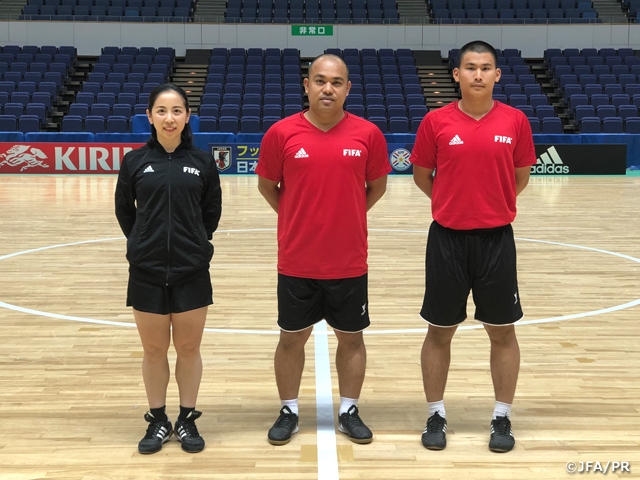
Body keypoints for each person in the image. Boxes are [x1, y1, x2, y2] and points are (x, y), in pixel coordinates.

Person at [256, 53, 390, 446]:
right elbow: (268, 186)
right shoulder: (281, 133)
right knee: (290, 339)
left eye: (336, 82)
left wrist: (345, 215)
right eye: (319, 80)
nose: (327, 88)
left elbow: (376, 186)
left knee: (351, 339)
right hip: (297, 259)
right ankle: (289, 410)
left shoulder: (367, 134)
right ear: (307, 85)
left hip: (348, 260)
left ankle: (348, 409)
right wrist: (299, 216)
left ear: (348, 88)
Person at [411, 41, 536, 453]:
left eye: (485, 68)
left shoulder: (516, 121)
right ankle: (436, 413)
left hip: (496, 240)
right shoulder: (435, 122)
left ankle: (502, 416)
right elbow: (422, 175)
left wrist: (489, 206)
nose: (478, 74)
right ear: (456, 75)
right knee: (439, 330)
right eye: (470, 67)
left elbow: (520, 177)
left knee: (502, 332)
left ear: (497, 75)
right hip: (447, 239)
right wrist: (454, 204)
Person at [115, 83, 222, 454]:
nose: (169, 118)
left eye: (177, 110)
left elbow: (212, 213)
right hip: (146, 271)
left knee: (189, 348)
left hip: (191, 270)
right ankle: (158, 419)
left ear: (187, 116)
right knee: (154, 349)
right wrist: (143, 241)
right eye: (161, 110)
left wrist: (193, 242)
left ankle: (187, 419)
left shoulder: (203, 162)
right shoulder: (134, 162)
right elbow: (125, 211)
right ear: (149, 116)